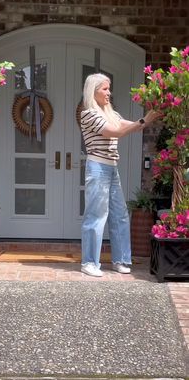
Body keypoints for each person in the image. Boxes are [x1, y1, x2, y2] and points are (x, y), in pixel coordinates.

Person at [80, 73, 161, 277]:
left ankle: (121, 260)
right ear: (93, 90)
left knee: (120, 215)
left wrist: (146, 119)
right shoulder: (88, 113)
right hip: (97, 167)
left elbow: (126, 125)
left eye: (109, 88)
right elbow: (114, 132)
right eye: (105, 89)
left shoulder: (110, 113)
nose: (109, 92)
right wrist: (144, 120)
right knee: (96, 216)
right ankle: (89, 263)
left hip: (111, 168)